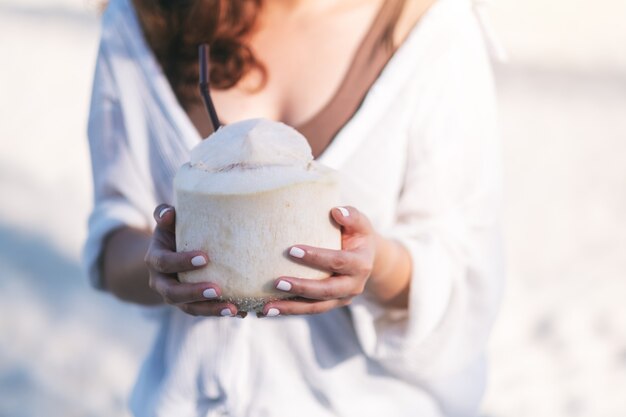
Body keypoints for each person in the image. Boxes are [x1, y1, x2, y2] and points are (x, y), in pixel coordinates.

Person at [84, 0, 504, 415]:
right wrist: (160, 265)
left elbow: (467, 280)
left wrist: (374, 265)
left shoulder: (434, 28)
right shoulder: (143, 20)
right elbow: (113, 237)